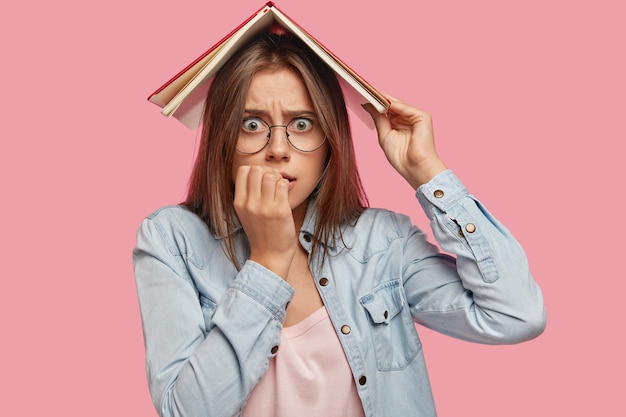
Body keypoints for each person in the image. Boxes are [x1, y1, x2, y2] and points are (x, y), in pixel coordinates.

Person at [133, 33, 546, 417]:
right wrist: (268, 262)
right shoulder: (172, 240)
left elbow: (515, 315)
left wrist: (428, 173)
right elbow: (184, 410)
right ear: (222, 138)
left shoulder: (383, 243)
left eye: (302, 124)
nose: (278, 150)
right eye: (252, 124)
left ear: (331, 140)